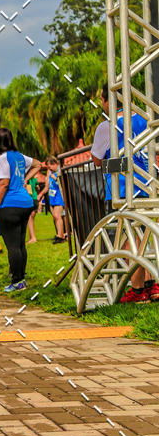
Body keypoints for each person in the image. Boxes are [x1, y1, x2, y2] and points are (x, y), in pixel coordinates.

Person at [91, 83, 158, 303]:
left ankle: (138, 289)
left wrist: (122, 164)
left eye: (102, 100)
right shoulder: (144, 119)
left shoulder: (106, 126)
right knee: (146, 236)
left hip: (123, 189)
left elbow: (98, 160)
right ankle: (152, 285)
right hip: (148, 185)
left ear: (108, 101)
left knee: (131, 241)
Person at [0, 128, 41, 292]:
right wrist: (24, 180)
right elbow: (38, 164)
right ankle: (21, 278)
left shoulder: (3, 158)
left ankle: (17, 280)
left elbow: (4, 183)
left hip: (10, 205)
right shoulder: (19, 156)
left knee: (12, 245)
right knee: (20, 244)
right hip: (25, 203)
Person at [38, 157, 67, 243]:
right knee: (55, 216)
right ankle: (59, 234)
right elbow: (47, 186)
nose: (48, 168)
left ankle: (61, 236)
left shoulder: (61, 170)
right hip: (52, 196)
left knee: (58, 215)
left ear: (55, 164)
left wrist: (56, 178)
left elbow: (64, 183)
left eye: (49, 166)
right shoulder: (50, 172)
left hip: (59, 195)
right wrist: (41, 194)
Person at [26, 176, 38, 244]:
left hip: (30, 199)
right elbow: (37, 187)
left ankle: (33, 238)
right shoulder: (34, 179)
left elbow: (28, 191)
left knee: (29, 219)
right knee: (32, 219)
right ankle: (31, 237)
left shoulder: (26, 180)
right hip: (35, 199)